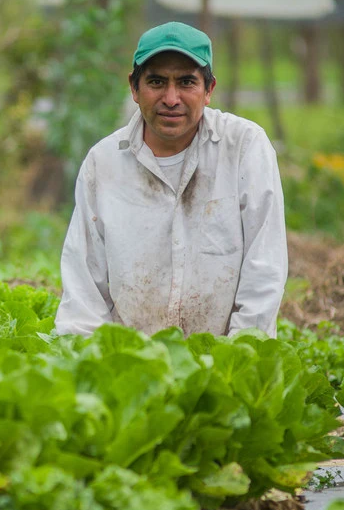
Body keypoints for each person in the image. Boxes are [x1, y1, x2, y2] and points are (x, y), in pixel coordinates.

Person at [54, 21, 287, 338]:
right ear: (135, 89)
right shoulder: (104, 162)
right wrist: (91, 360)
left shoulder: (243, 148)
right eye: (157, 82)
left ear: (209, 90)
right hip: (132, 367)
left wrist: (240, 358)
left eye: (187, 82)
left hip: (223, 362)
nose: (171, 98)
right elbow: (83, 283)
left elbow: (265, 266)